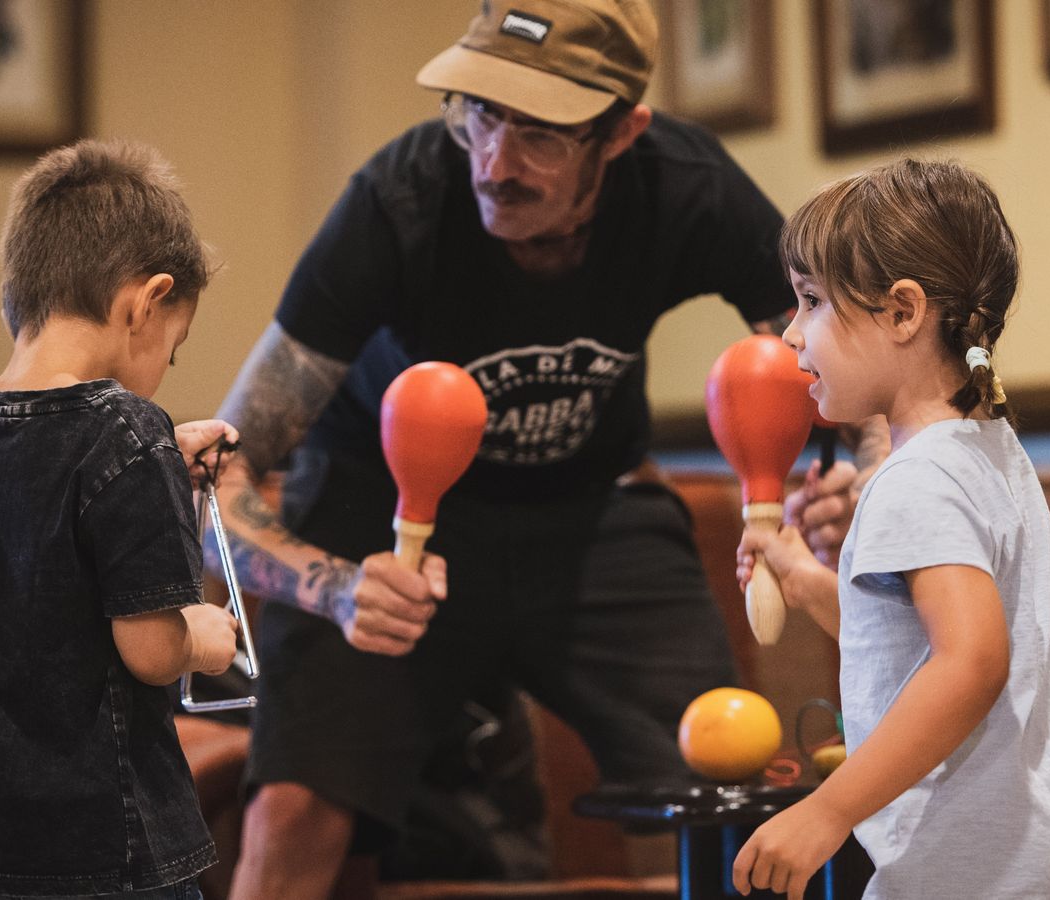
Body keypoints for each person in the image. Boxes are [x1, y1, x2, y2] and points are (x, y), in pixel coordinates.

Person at [210, 2, 872, 897]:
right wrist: (333, 587)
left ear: (622, 132)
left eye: (540, 132)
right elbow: (219, 474)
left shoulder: (685, 185)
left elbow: (845, 356)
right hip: (387, 515)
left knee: (737, 770)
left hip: (591, 514)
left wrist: (862, 474)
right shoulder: (397, 202)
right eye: (477, 111)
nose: (495, 160)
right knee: (292, 811)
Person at [730, 159, 1050, 899]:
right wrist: (809, 582)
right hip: (1042, 853)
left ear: (903, 313)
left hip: (975, 869)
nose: (791, 335)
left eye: (810, 302)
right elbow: (920, 645)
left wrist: (828, 811)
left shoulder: (915, 479)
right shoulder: (988, 447)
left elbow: (969, 663)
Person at [0, 139, 243, 900]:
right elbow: (155, 651)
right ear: (146, 303)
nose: (166, 370)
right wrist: (209, 634)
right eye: (175, 348)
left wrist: (160, 470)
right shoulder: (128, 433)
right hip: (109, 853)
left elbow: (46, 521)